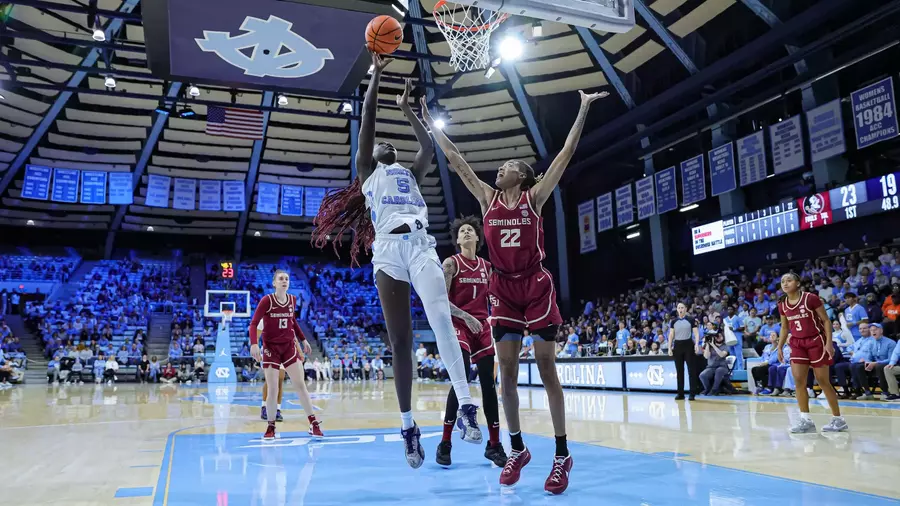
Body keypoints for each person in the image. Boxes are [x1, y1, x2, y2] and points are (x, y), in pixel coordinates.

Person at [423, 88, 606, 494]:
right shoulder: (487, 200)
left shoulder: (534, 198)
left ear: (521, 175)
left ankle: (561, 455)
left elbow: (565, 154)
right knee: (505, 372)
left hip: (536, 286)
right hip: (503, 290)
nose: (499, 170)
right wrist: (427, 122)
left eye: (507, 166)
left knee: (545, 370)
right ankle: (518, 448)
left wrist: (581, 108)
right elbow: (457, 162)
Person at [311, 54, 480, 468]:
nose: (386, 142)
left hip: (421, 246)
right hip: (387, 252)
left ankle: (467, 407)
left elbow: (427, 145)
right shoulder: (368, 173)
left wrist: (408, 109)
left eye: (391, 141)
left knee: (442, 319)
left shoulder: (410, 171)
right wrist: (377, 73)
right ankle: (408, 427)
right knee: (401, 342)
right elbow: (368, 116)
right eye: (381, 143)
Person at [436, 216, 508, 468]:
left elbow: (499, 297)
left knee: (489, 384)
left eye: (470, 230)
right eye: (462, 231)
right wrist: (466, 316)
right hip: (459, 325)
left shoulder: (488, 267)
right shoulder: (451, 264)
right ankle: (445, 443)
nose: (466, 233)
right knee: (461, 378)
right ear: (457, 240)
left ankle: (495, 445)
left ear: (478, 238)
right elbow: (440, 301)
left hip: (482, 327)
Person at [249, 270, 323, 441]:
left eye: (287, 279)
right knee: (273, 388)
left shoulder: (292, 300)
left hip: (289, 346)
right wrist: (254, 344)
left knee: (300, 385)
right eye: (281, 279)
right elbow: (253, 324)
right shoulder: (266, 301)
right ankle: (271, 426)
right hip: (271, 348)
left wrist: (303, 339)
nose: (284, 281)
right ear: (274, 283)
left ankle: (313, 423)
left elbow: (293, 321)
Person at [776, 272, 847, 433]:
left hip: (816, 341)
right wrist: (779, 347)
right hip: (798, 343)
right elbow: (784, 327)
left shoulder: (811, 298)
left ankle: (838, 419)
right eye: (782, 281)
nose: (785, 283)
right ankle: (805, 419)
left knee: (823, 381)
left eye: (789, 280)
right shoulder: (782, 305)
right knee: (799, 381)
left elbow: (826, 321)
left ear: (798, 283)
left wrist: (829, 343)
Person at [667, 302, 701, 400]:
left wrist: (696, 344)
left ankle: (692, 393)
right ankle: (680, 393)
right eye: (679, 308)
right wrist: (669, 347)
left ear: (685, 309)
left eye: (682, 307)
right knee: (679, 371)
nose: (680, 309)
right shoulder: (673, 321)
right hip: (677, 346)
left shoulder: (691, 319)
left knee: (691, 370)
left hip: (688, 345)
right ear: (677, 310)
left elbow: (696, 333)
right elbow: (671, 335)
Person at [699, 330, 730, 395]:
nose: (718, 337)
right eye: (716, 336)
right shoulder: (709, 346)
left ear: (723, 337)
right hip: (711, 367)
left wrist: (713, 345)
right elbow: (706, 356)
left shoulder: (725, 346)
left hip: (722, 366)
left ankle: (714, 389)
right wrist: (708, 344)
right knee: (702, 375)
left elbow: (722, 355)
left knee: (719, 371)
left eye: (720, 336)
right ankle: (707, 389)